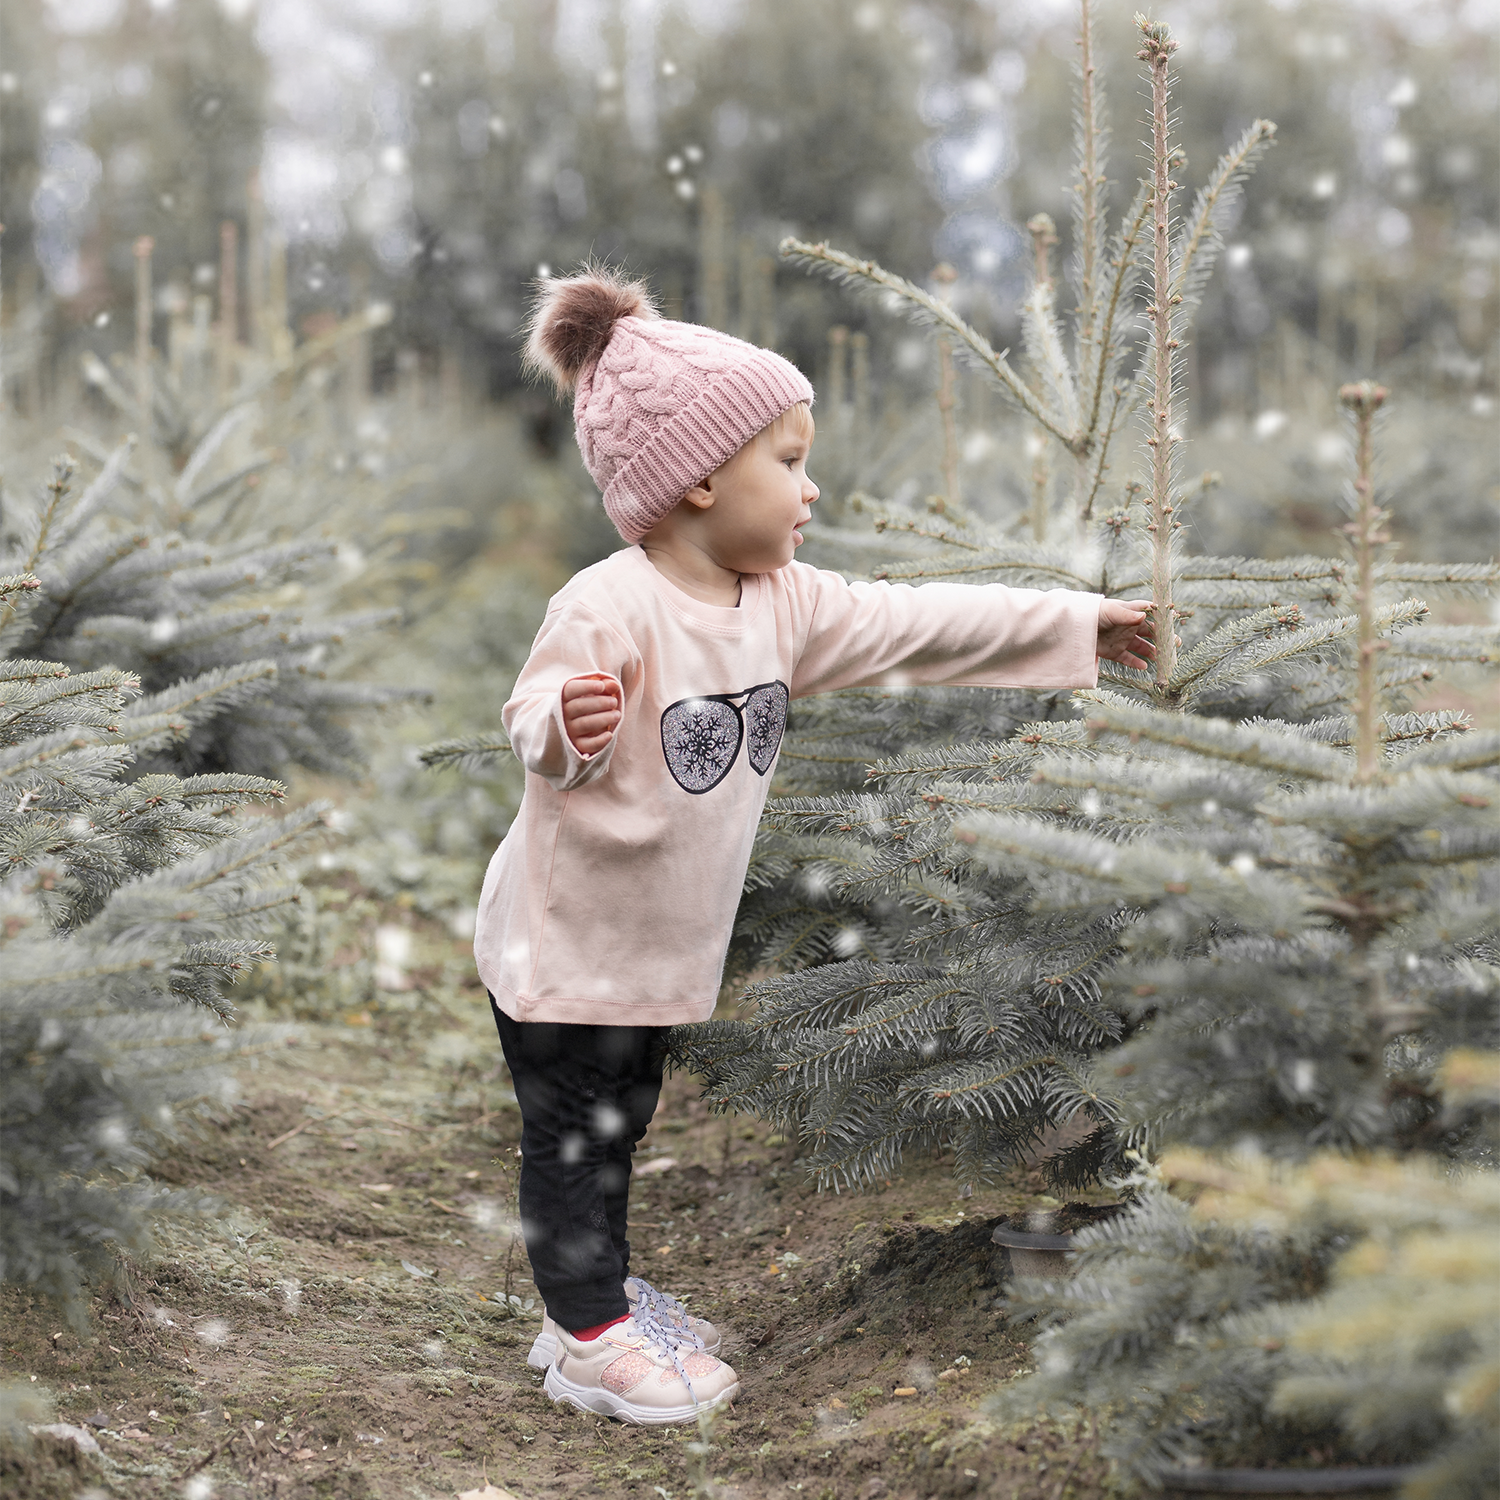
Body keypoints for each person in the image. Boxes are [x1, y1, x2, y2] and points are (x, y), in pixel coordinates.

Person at [475, 268, 1156, 1425]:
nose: (811, 487)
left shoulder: (782, 602)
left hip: (655, 951)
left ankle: (580, 1309)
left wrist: (1073, 620)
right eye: (786, 463)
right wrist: (567, 730)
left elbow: (921, 620)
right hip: (565, 943)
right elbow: (535, 719)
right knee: (575, 1134)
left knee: (619, 1122)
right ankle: (594, 1336)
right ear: (697, 480)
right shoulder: (611, 604)